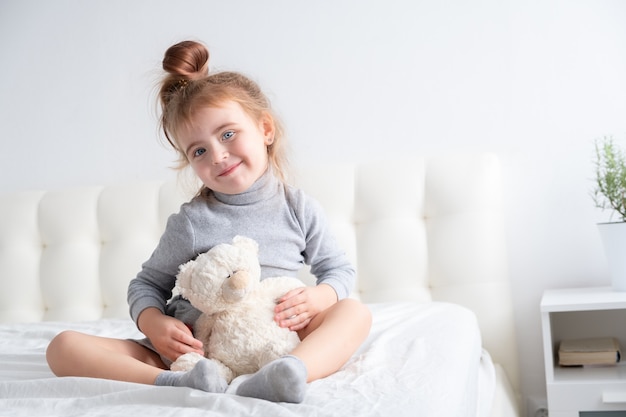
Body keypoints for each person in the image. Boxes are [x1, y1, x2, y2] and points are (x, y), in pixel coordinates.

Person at [46, 40, 372, 404]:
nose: (217, 155)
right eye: (199, 150)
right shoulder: (192, 221)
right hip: (197, 352)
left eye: (228, 134)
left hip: (276, 340)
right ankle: (177, 382)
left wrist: (319, 297)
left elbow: (337, 269)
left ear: (265, 129)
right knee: (62, 347)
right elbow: (146, 284)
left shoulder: (297, 207)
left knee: (354, 313)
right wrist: (154, 324)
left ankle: (290, 371)